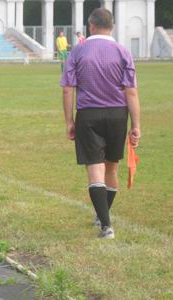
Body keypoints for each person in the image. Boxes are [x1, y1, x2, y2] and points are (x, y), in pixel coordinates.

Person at [60, 8, 141, 239]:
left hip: (89, 114)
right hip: (118, 114)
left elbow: (68, 89)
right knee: (111, 167)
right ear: (112, 27)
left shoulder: (78, 51)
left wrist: (69, 121)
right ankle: (102, 215)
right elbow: (131, 92)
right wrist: (136, 125)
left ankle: (106, 226)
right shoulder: (123, 51)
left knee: (95, 167)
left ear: (91, 26)